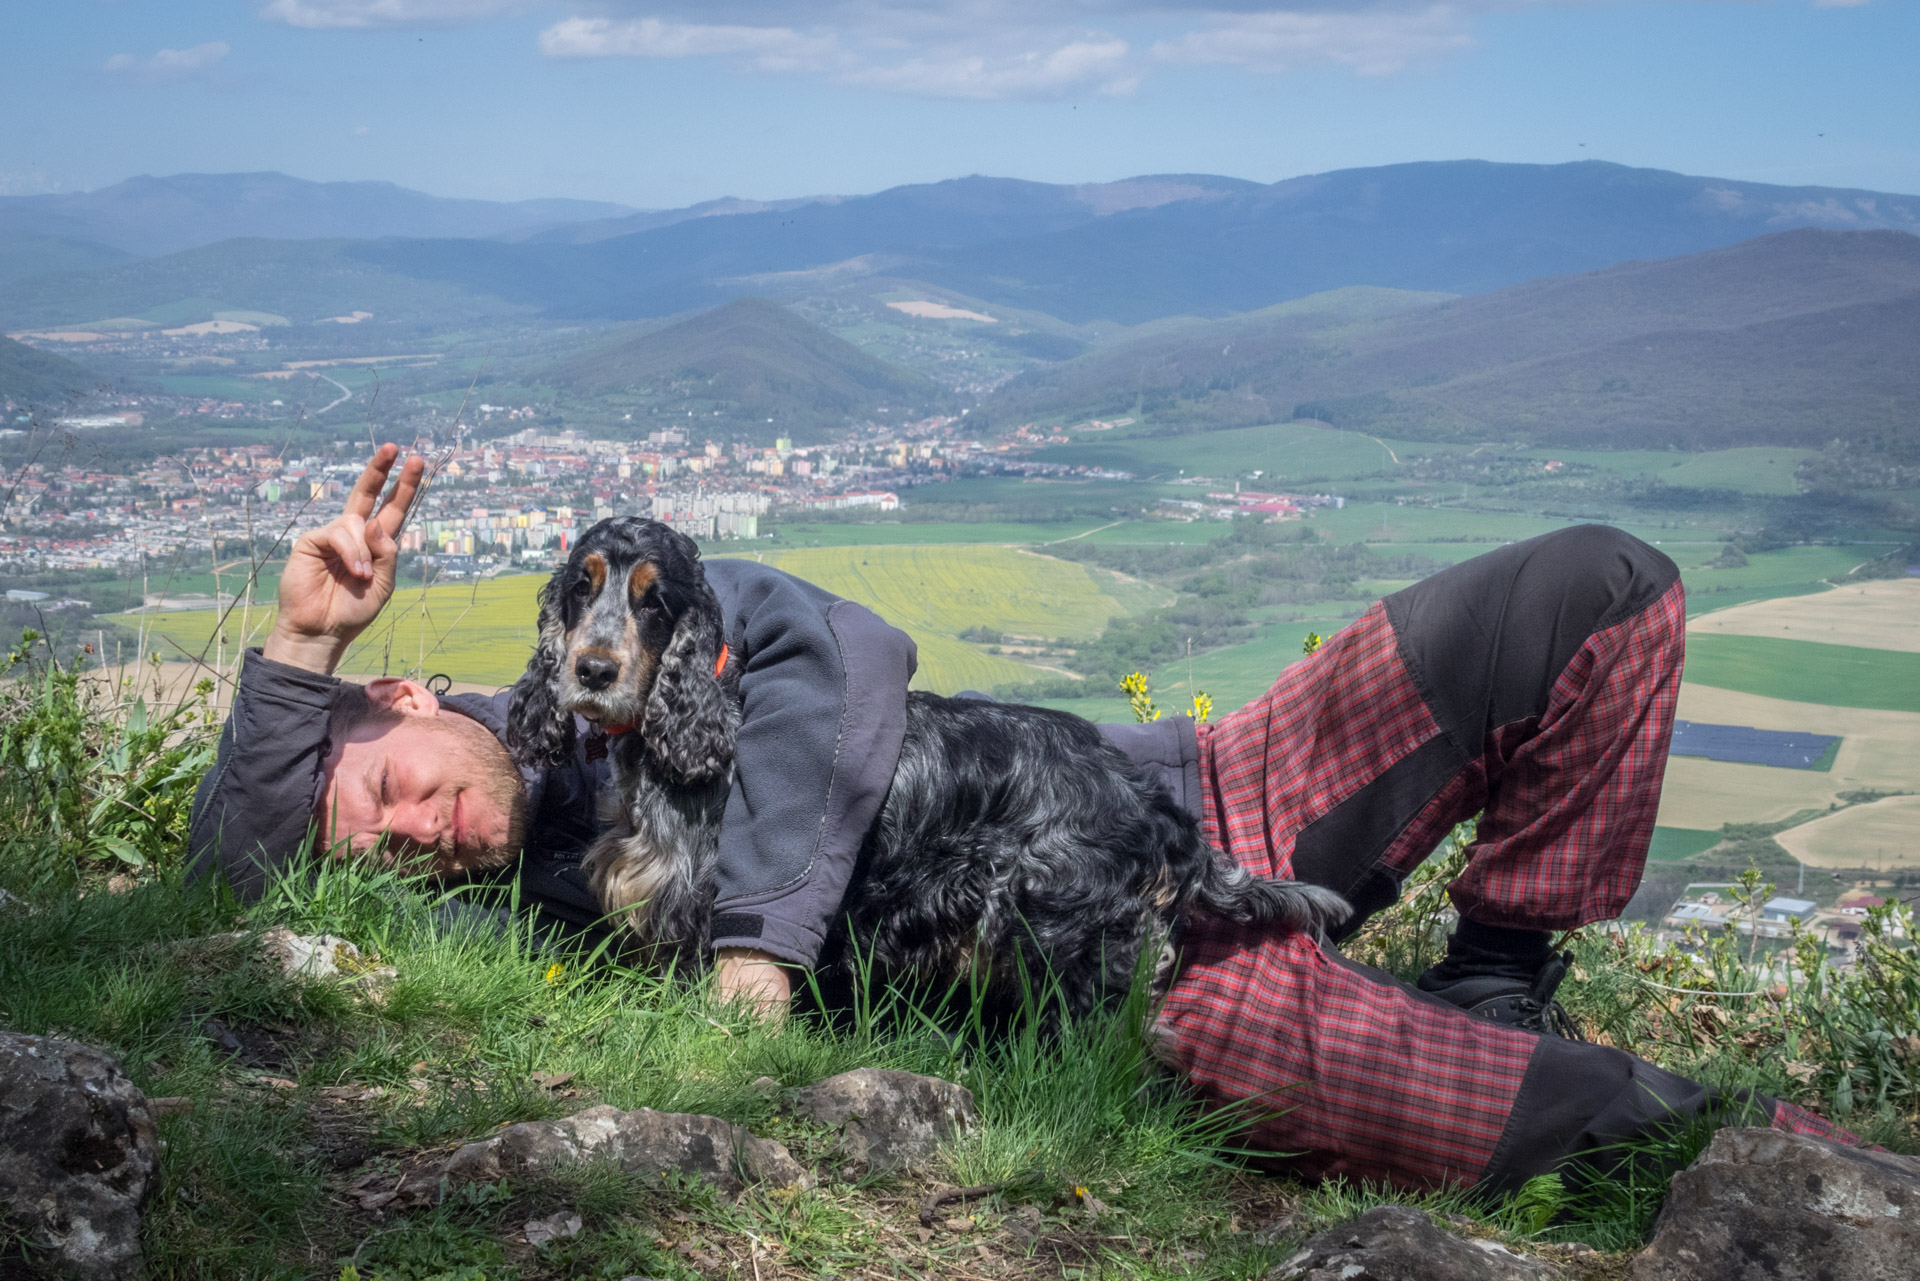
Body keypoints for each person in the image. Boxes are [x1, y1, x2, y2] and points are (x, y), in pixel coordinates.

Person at [189, 445, 1856, 1193]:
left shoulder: (636, 623)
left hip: (1189, 782)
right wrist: (295, 649)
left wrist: (758, 949)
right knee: (1450, 1101)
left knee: (1601, 590)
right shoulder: (537, 870)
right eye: (384, 860)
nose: (418, 841)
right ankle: (1716, 1143)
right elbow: (225, 877)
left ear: (415, 706)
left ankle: (1498, 964)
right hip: (1093, 959)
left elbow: (845, 655)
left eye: (393, 796)